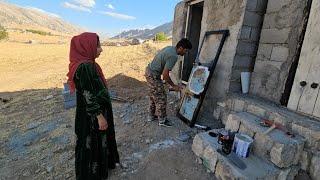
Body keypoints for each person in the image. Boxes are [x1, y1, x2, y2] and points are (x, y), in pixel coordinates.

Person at [67, 32, 120, 180]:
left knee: (99, 142)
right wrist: (100, 116)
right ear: (87, 47)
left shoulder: (90, 65)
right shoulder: (84, 67)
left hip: (96, 114)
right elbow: (88, 94)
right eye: (98, 46)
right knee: (91, 144)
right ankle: (92, 175)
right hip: (92, 117)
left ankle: (101, 170)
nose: (101, 49)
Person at [145, 38, 192, 127]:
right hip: (153, 75)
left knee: (153, 95)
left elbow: (162, 67)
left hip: (149, 71)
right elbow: (165, 75)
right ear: (181, 48)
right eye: (185, 50)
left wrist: (165, 83)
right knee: (161, 98)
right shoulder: (173, 56)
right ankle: (162, 120)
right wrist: (173, 86)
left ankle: (151, 116)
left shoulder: (170, 48)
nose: (185, 53)